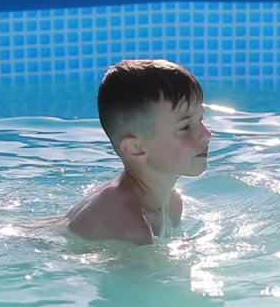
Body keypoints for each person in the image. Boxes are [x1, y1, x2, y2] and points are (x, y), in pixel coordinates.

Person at [51, 59, 212, 246]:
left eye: (201, 118)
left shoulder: (173, 203)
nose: (206, 134)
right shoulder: (128, 225)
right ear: (136, 149)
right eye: (185, 127)